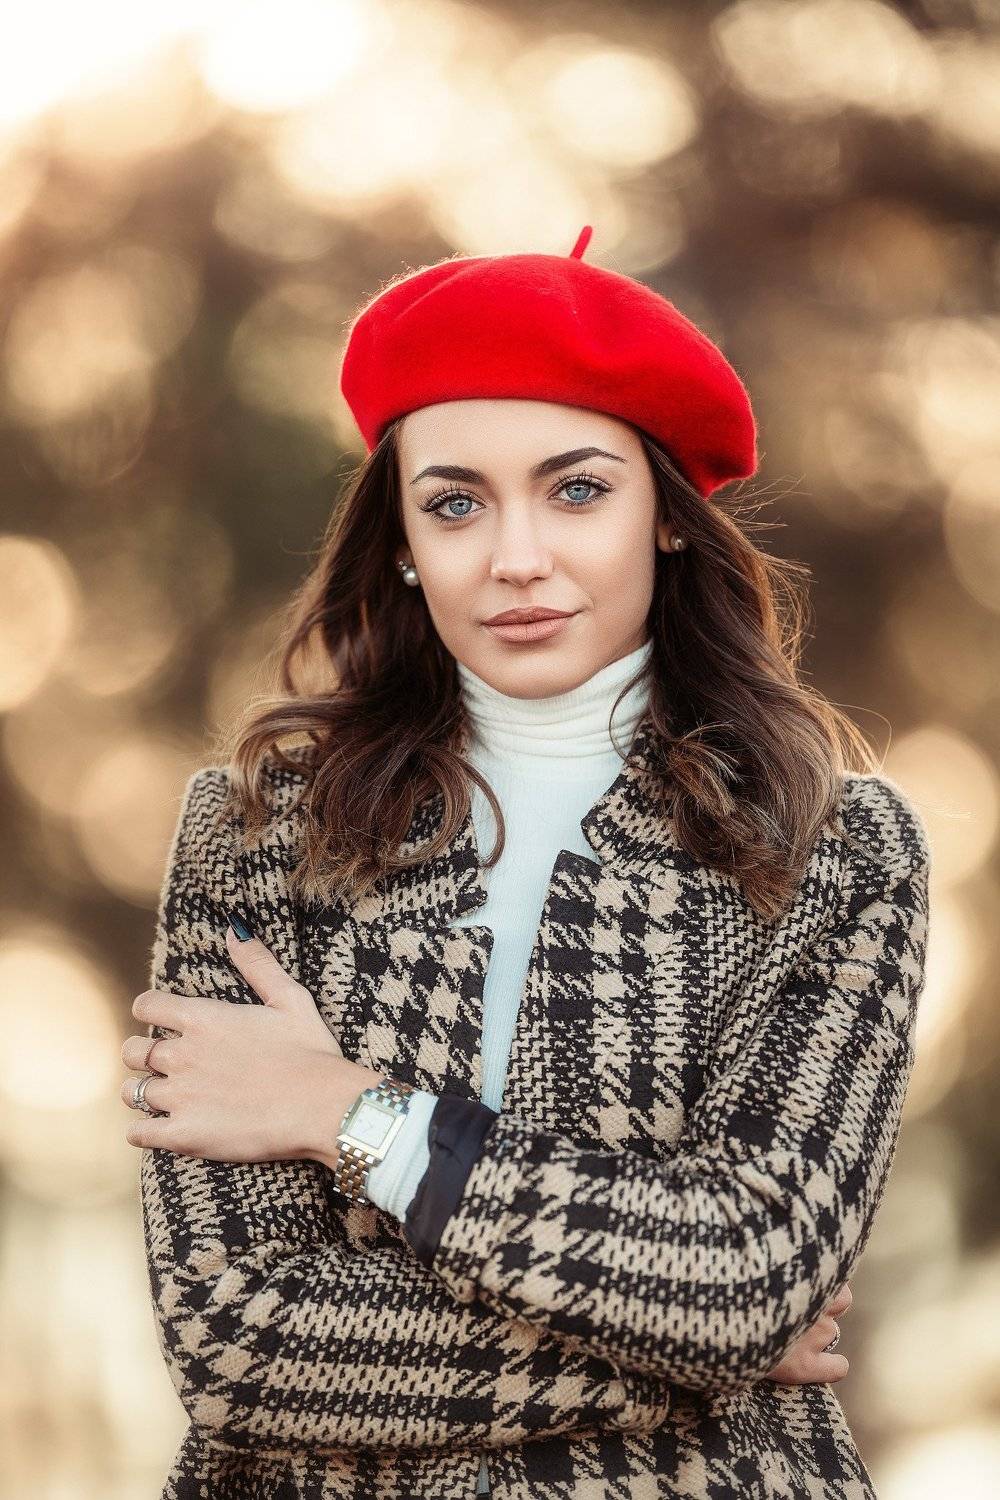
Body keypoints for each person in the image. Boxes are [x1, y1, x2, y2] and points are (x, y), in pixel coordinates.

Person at [123, 227, 930, 1500]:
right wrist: (702, 1349)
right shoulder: (256, 834)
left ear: (666, 515)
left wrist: (348, 1112)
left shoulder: (835, 847)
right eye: (454, 502)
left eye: (576, 489)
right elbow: (241, 1343)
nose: (515, 557)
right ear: (398, 538)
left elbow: (749, 1273)